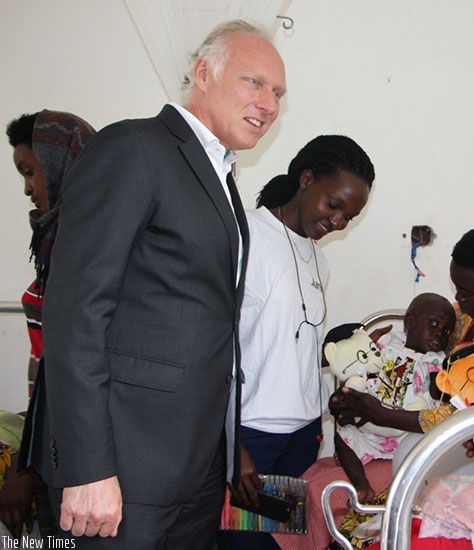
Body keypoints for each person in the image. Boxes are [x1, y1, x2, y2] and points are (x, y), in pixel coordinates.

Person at [23, 20, 286, 548]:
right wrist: (88, 467)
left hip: (194, 468)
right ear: (203, 73)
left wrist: (226, 449)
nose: (269, 103)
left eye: (278, 92)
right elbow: (76, 312)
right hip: (124, 465)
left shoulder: (220, 176)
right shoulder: (135, 147)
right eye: (254, 82)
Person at [219, 135, 374, 550]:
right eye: (333, 205)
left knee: (280, 546)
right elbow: (215, 346)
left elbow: (291, 343)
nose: (338, 222)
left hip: (301, 436)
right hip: (253, 434)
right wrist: (232, 443)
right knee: (244, 545)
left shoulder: (319, 258)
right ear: (306, 180)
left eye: (349, 216)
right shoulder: (245, 235)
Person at [332, 224, 474, 436]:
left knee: (405, 453)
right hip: (428, 425)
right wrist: (359, 393)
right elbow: (413, 358)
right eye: (456, 287)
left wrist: (383, 415)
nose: (458, 297)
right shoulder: (463, 314)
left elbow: (473, 416)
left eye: (466, 292)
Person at [2, 110, 96, 541]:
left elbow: (71, 368)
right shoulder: (56, 237)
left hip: (68, 446)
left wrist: (27, 464)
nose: (27, 188)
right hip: (50, 434)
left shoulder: (85, 245)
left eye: (30, 171)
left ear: (60, 164)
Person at [335, 292, 456, 504]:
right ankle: (361, 486)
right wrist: (346, 398)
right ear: (410, 322)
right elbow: (361, 369)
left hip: (403, 431)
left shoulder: (435, 360)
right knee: (342, 434)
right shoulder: (386, 344)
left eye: (446, 331)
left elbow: (438, 395)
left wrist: (442, 378)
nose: (439, 333)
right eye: (433, 323)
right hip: (367, 418)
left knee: (418, 445)